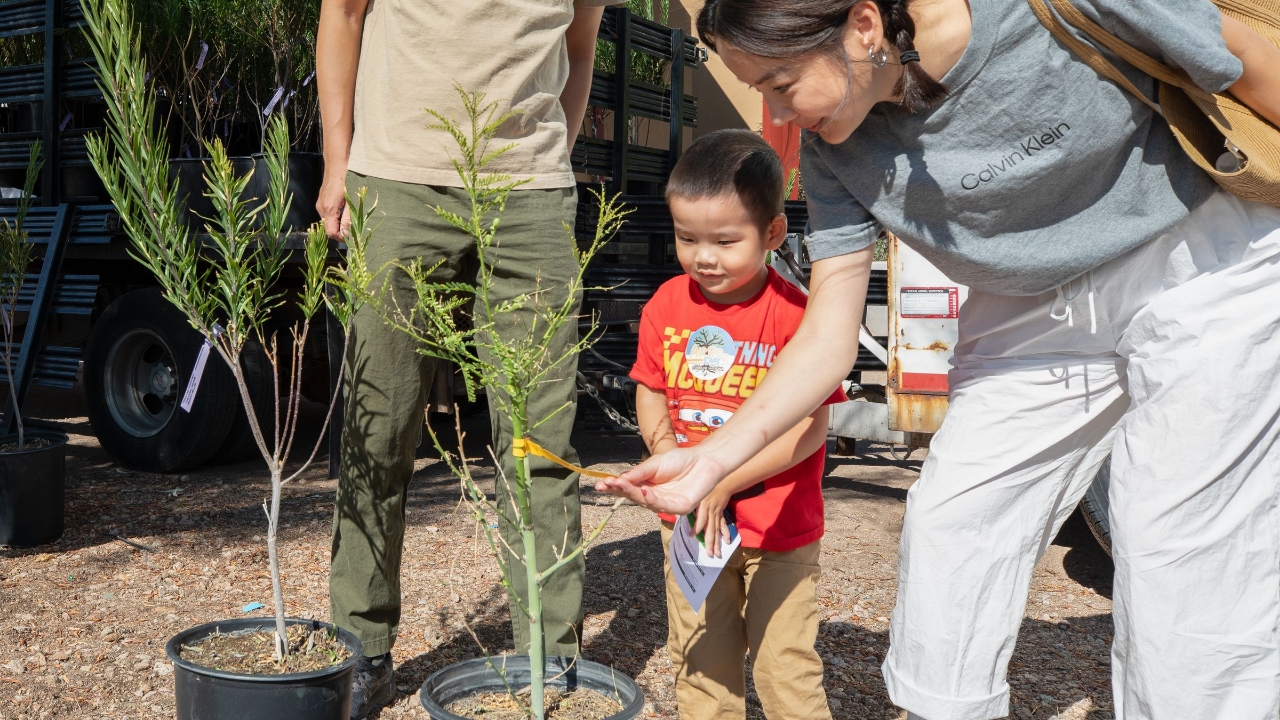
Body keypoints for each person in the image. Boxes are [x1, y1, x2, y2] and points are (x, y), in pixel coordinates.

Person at [599, 1, 1280, 718]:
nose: (777, 113)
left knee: (1180, 553)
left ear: (864, 26)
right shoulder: (836, 147)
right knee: (954, 526)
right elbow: (829, 336)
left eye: (780, 83)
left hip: (1201, 265)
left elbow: (1260, 72)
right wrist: (712, 459)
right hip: (1025, 307)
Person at [315, 1, 612, 715]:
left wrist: (554, 160)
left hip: (530, 192)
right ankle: (362, 650)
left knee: (540, 443)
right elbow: (343, 14)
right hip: (396, 178)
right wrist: (339, 163)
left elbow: (580, 40)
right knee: (377, 430)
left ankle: (551, 664)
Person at [631, 129, 845, 719]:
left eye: (726, 240)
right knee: (701, 659)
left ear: (773, 232)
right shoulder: (666, 304)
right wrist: (665, 445)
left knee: (786, 669)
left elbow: (810, 429)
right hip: (692, 530)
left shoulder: (799, 316)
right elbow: (651, 389)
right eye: (687, 238)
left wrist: (719, 480)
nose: (704, 256)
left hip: (778, 529)